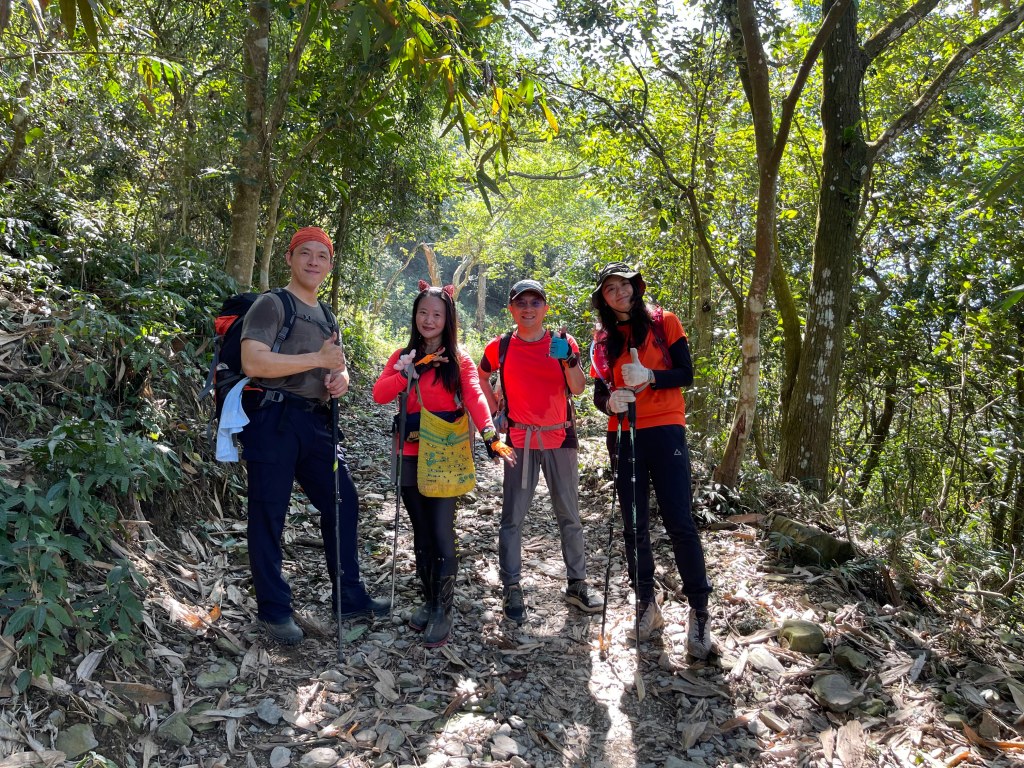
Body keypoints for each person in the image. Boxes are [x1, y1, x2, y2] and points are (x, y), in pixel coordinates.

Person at [239, 226, 389, 645]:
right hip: (273, 419)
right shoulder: (272, 304)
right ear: (289, 258)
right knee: (269, 513)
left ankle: (349, 596)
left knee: (343, 501)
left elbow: (336, 365)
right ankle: (274, 611)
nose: (313, 262)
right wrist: (317, 359)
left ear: (330, 265)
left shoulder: (327, 314)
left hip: (316, 422)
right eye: (305, 253)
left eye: (322, 256)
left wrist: (340, 378)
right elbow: (253, 362)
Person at [373, 282, 513, 647]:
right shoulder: (403, 356)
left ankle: (443, 610)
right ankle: (430, 600)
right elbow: (380, 394)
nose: (429, 320)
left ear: (448, 319)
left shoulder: (459, 359)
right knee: (420, 531)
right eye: (423, 313)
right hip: (409, 451)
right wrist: (407, 371)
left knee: (440, 530)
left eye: (437, 314)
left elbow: (475, 396)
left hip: (446, 454)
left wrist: (490, 435)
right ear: (415, 316)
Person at [590, 261, 713, 658]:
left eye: (623, 285)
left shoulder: (665, 321)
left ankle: (699, 612)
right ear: (603, 298)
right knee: (634, 524)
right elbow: (599, 392)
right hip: (623, 433)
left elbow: (686, 373)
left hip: (665, 428)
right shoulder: (603, 339)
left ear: (636, 286)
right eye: (610, 289)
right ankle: (646, 605)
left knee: (680, 522)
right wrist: (610, 402)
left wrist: (651, 377)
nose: (619, 293)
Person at [477, 278, 604, 624]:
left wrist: (570, 359)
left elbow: (578, 388)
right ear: (511, 309)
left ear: (545, 308)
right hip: (519, 439)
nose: (528, 309)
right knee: (512, 517)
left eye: (535, 303)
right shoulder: (500, 346)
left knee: (569, 515)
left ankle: (577, 583)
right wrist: (495, 409)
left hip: (559, 437)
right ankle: (512, 587)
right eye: (521, 303)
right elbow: (481, 375)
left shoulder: (563, 342)